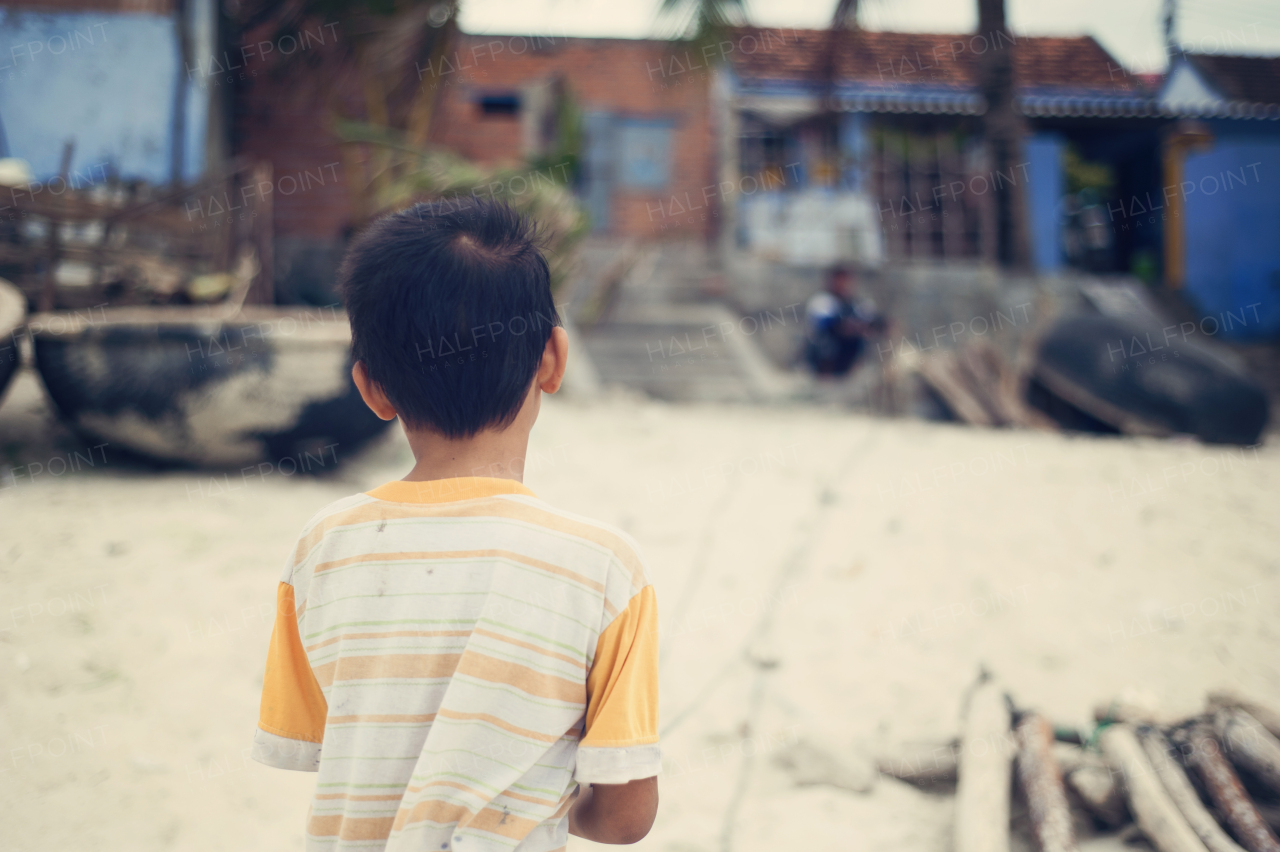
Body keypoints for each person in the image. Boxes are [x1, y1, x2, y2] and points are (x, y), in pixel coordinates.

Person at [251, 200, 660, 851]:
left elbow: (330, 744)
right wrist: (563, 810)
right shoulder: (605, 570)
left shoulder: (323, 548)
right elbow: (625, 816)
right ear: (552, 359)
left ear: (371, 389)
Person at [803, 265, 885, 377]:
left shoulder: (857, 304)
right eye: (839, 280)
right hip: (825, 360)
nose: (843, 284)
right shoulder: (821, 301)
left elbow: (873, 321)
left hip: (849, 361)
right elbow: (831, 325)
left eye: (846, 280)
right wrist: (855, 327)